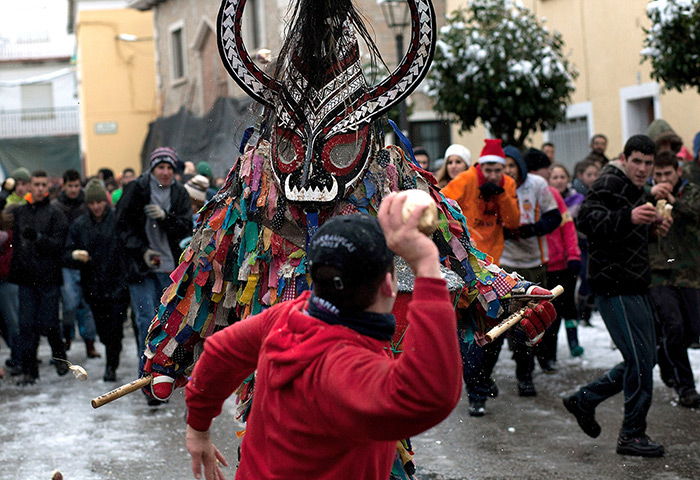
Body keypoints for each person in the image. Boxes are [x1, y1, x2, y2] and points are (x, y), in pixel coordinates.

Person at [185, 194, 463, 479]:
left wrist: (197, 428)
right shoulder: (345, 367)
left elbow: (220, 351)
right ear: (390, 285)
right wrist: (427, 267)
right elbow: (430, 394)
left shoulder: (287, 318)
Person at [563, 134, 671, 457]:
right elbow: (587, 220)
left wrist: (651, 229)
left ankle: (584, 400)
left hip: (634, 283)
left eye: (648, 163)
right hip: (614, 286)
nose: (642, 169)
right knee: (640, 362)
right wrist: (630, 217)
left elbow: (624, 235)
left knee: (644, 359)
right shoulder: (609, 181)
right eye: (636, 161)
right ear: (624, 159)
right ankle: (632, 435)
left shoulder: (636, 188)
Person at [116, 147, 192, 377]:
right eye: (161, 167)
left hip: (170, 268)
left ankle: (162, 374)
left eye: (169, 167)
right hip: (141, 268)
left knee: (168, 325)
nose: (165, 172)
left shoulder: (179, 192)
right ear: (152, 168)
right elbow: (121, 226)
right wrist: (142, 251)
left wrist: (165, 217)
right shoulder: (137, 189)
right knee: (145, 320)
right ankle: (146, 376)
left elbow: (186, 227)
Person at [501, 147, 561, 394]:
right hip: (505, 261)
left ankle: (537, 359)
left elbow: (554, 217)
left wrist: (530, 229)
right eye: (502, 166)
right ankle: (524, 373)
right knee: (514, 320)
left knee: (536, 317)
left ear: (520, 166)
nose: (507, 171)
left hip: (535, 261)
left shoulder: (537, 184)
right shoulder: (495, 186)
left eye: (511, 165)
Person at [646, 151, 700, 408]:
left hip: (690, 273)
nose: (663, 179)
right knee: (674, 326)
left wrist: (672, 202)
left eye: (668, 174)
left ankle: (666, 356)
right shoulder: (645, 196)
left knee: (692, 330)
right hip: (659, 273)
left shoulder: (691, 193)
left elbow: (695, 213)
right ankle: (685, 386)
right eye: (658, 175)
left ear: (678, 172)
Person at [64, 181, 130, 382]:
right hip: (93, 286)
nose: (96, 206)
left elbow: (128, 249)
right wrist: (75, 256)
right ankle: (109, 353)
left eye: (100, 201)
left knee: (115, 329)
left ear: (105, 201)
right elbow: (66, 254)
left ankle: (111, 366)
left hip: (117, 284)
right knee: (103, 330)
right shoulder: (80, 225)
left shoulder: (118, 221)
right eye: (92, 203)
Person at [10, 171, 70, 384]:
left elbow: (59, 246)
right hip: (26, 278)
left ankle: (60, 356)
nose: (38, 188)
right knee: (26, 326)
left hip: (48, 277)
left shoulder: (56, 213)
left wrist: (38, 238)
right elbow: (16, 245)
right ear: (29, 186)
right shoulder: (20, 212)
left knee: (50, 323)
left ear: (47, 187)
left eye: (42, 184)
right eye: (35, 184)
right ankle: (29, 371)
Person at [441, 139, 519, 263]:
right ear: (481, 166)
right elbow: (440, 203)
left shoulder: (508, 184)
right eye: (488, 171)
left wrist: (502, 195)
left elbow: (513, 222)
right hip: (467, 252)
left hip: (494, 254)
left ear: (503, 168)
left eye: (497, 171)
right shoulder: (466, 179)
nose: (493, 176)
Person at [51, 169, 100, 359]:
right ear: (64, 185)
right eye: (70, 186)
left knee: (87, 305)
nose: (73, 190)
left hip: (86, 261)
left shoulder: (86, 203)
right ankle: (68, 335)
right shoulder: (57, 206)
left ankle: (89, 342)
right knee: (70, 304)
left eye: (76, 186)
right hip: (66, 260)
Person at [548, 164, 584, 356]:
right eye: (555, 177)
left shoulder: (576, 200)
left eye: (562, 176)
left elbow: (570, 232)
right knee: (552, 310)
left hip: (567, 261)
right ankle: (550, 351)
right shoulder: (545, 200)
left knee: (569, 305)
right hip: (549, 262)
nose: (559, 180)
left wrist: (574, 255)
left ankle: (573, 342)